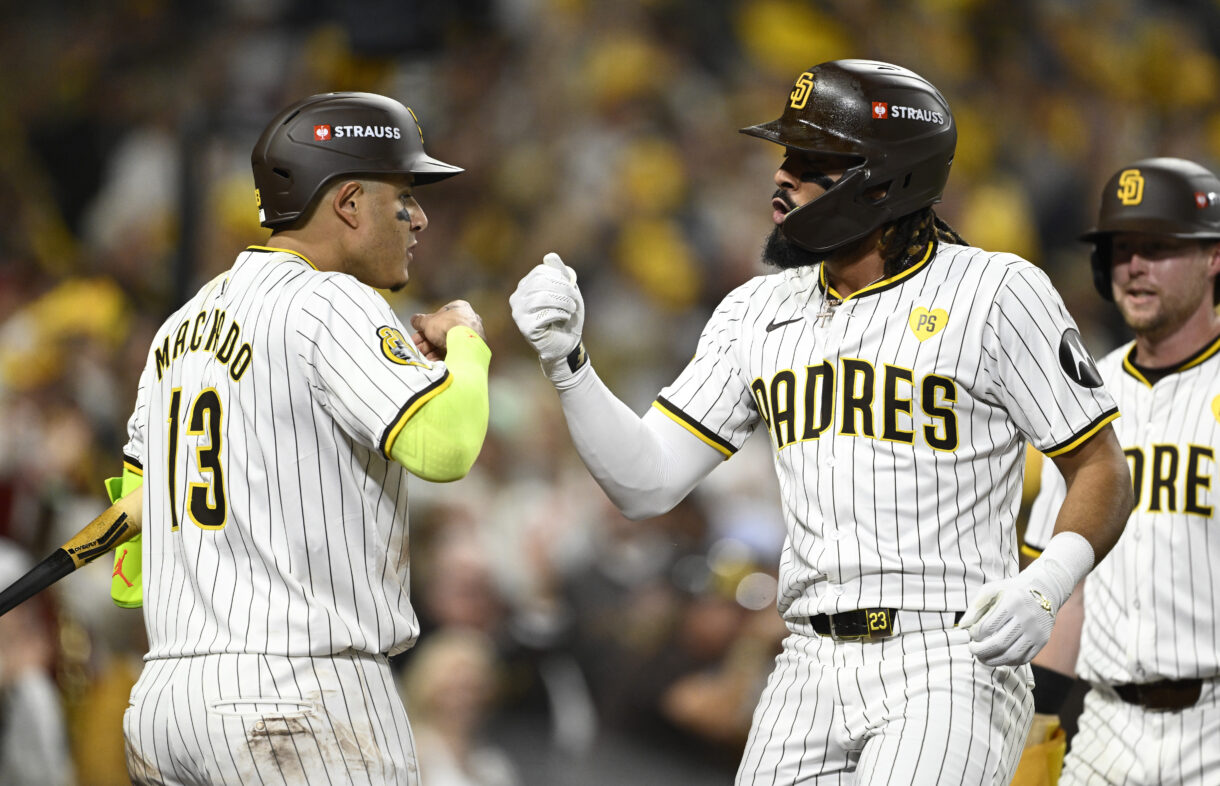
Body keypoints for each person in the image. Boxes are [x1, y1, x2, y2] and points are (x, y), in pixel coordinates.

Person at [510, 58, 1133, 784]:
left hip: (947, 655)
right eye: (786, 155)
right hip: (804, 657)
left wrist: (1044, 584)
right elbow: (645, 484)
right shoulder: (756, 310)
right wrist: (569, 364)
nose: (783, 177)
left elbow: (1100, 466)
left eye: (815, 162)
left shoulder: (995, 292)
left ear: (888, 177)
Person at [114, 91, 491, 785]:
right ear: (349, 203)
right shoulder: (330, 298)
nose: (420, 217)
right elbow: (446, 446)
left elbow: (130, 554)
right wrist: (466, 339)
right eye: (403, 196)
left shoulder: (178, 328)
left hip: (166, 703)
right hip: (301, 700)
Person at [1024, 157, 1220, 785]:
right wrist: (1037, 715)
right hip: (1103, 726)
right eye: (1121, 248)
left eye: (1158, 248)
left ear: (1214, 258)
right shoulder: (1083, 392)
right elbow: (1064, 585)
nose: (1134, 266)